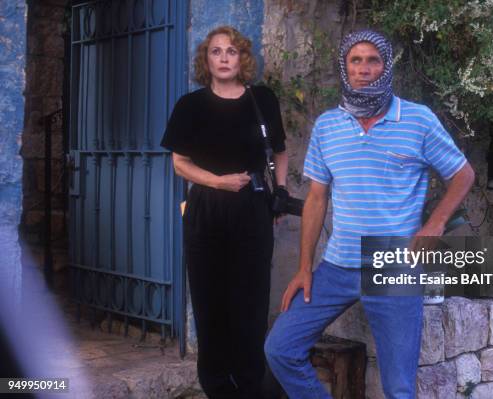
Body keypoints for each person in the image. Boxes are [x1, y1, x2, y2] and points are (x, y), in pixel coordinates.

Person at [264, 30, 475, 398]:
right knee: (280, 348)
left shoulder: (417, 120)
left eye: (373, 60)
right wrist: (303, 268)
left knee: (399, 388)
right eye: (355, 60)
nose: (364, 69)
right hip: (337, 265)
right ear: (345, 67)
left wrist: (435, 224)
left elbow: (463, 174)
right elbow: (316, 199)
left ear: (386, 66)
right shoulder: (328, 126)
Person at [160, 26, 288, 399]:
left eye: (231, 51)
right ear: (207, 60)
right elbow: (179, 163)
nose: (224, 58)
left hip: (252, 206)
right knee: (208, 297)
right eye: (216, 52)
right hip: (205, 208)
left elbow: (279, 150)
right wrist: (216, 182)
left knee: (250, 299)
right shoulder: (191, 105)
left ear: (242, 58)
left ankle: (249, 384)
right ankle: (217, 387)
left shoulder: (262, 99)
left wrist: (280, 189)